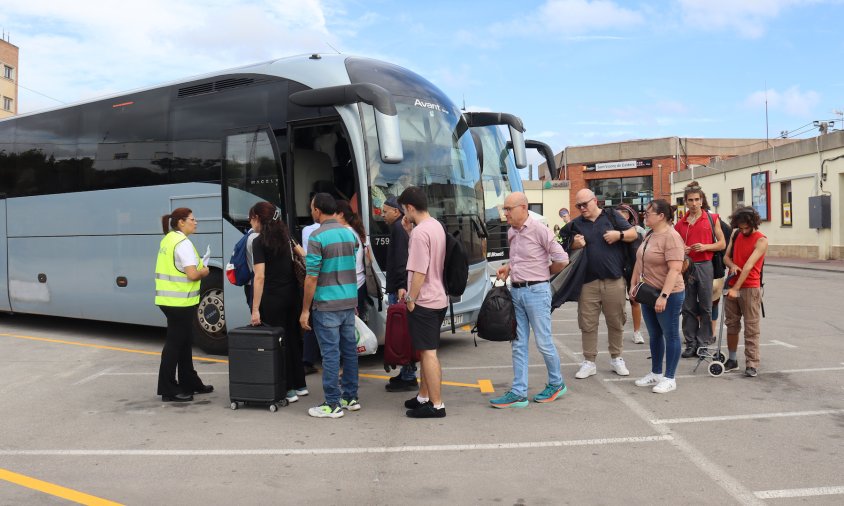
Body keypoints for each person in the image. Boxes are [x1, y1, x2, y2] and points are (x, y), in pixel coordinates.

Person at [490, 192, 569, 408]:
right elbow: (520, 259)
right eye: (504, 209)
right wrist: (509, 267)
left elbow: (562, 259)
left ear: (523, 208)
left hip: (537, 292)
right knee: (517, 343)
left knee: (543, 342)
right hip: (516, 291)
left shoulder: (540, 230)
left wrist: (541, 274)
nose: (505, 213)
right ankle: (518, 392)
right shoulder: (511, 232)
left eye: (508, 209)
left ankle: (556, 383)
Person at [564, 189, 638, 379]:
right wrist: (574, 244)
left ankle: (617, 358)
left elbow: (633, 234)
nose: (581, 209)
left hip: (614, 279)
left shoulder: (612, 216)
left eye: (584, 204)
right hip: (587, 282)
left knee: (616, 321)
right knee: (587, 324)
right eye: (578, 206)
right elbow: (562, 246)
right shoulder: (576, 224)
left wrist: (618, 235)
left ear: (595, 201)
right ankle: (589, 361)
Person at [299, 193, 360, 419]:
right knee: (349, 351)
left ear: (318, 210)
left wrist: (305, 310)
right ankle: (350, 397)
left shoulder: (316, 237)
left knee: (330, 354)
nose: (311, 211)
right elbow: (350, 261)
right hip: (349, 300)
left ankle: (332, 403)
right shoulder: (348, 234)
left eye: (312, 207)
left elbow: (311, 277)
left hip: (326, 303)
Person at [248, 202, 308, 403]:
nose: (251, 223)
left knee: (278, 343)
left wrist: (255, 309)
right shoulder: (287, 237)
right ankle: (300, 385)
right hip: (293, 296)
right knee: (292, 338)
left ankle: (287, 389)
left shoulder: (259, 242)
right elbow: (305, 257)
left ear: (258, 218)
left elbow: (259, 277)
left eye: (251, 218)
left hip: (273, 299)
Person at [398, 186, 448, 418]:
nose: (403, 216)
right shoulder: (435, 225)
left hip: (424, 300)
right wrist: (410, 232)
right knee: (427, 351)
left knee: (428, 353)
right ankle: (423, 397)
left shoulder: (420, 233)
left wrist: (410, 298)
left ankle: (436, 405)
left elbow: (419, 271)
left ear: (410, 208)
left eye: (403, 211)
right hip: (438, 297)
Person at [154, 207, 212, 402]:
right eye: (192, 219)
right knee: (175, 345)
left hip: (169, 300)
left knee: (184, 342)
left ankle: (190, 382)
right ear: (181, 222)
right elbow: (192, 274)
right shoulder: (183, 243)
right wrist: (204, 271)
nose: (195, 222)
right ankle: (168, 389)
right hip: (179, 302)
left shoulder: (168, 240)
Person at [629, 200, 686, 394]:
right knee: (654, 335)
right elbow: (640, 259)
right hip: (648, 292)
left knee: (670, 335)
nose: (645, 215)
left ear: (661, 216)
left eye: (648, 212)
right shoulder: (650, 234)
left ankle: (670, 377)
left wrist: (663, 296)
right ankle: (656, 373)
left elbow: (675, 269)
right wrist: (633, 284)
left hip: (668, 294)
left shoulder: (672, 237)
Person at [674, 181, 725, 358]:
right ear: (686, 202)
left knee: (706, 305)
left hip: (705, 265)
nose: (694, 203)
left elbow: (722, 244)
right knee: (687, 306)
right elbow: (674, 247)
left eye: (697, 199)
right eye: (690, 200)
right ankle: (690, 343)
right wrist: (683, 250)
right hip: (687, 266)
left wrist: (705, 247)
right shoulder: (680, 224)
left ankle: (703, 344)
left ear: (702, 200)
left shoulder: (712, 219)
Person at [723, 206, 768, 377]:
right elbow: (726, 257)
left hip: (750, 287)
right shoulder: (735, 235)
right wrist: (732, 265)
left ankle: (752, 363)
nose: (743, 230)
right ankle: (732, 359)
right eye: (740, 227)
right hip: (732, 285)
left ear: (753, 223)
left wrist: (736, 288)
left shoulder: (761, 240)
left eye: (746, 227)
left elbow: (749, 266)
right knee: (731, 325)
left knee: (751, 327)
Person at [381, 196, 417, 392]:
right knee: (403, 333)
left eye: (385, 211)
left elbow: (403, 259)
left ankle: (409, 376)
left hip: (399, 287)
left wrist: (402, 285)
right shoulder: (397, 228)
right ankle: (406, 373)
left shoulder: (397, 228)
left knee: (403, 334)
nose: (382, 215)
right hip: (397, 286)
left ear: (397, 211)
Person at [335, 199, 370, 321]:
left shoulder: (343, 233)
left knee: (351, 330)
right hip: (360, 284)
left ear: (341, 214)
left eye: (333, 213)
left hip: (349, 287)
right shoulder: (357, 231)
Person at [618, 204, 647, 344]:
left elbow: (642, 253)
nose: (618, 215)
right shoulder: (612, 231)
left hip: (633, 269)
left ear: (628, 215)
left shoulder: (637, 231)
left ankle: (637, 332)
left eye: (622, 213)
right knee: (617, 304)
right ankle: (618, 331)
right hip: (617, 270)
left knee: (635, 301)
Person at [300, 218, 322, 376]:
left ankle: (308, 359)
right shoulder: (346, 232)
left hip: (316, 282)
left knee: (311, 324)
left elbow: (311, 273)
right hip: (342, 291)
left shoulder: (309, 231)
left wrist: (305, 309)